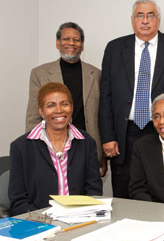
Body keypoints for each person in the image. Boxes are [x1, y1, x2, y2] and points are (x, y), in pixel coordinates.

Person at [100, 0, 164, 198]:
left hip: (163, 130)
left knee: (161, 191)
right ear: (132, 20)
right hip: (125, 135)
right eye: (140, 15)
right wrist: (108, 136)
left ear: (158, 20)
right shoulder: (114, 48)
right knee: (124, 192)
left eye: (150, 15)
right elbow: (105, 96)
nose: (145, 20)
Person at [9, 83, 103, 216]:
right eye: (51, 105)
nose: (59, 110)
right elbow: (18, 200)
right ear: (41, 111)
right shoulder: (21, 147)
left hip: (80, 219)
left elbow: (94, 190)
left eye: (64, 104)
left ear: (71, 108)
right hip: (40, 224)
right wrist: (45, 220)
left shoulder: (87, 142)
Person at [25, 22, 106, 176]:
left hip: (86, 146)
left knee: (87, 194)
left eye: (76, 40)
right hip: (51, 145)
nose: (71, 43)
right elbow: (32, 117)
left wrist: (101, 153)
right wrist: (32, 150)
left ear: (82, 45)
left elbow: (102, 116)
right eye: (66, 39)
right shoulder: (39, 73)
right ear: (58, 43)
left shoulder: (96, 74)